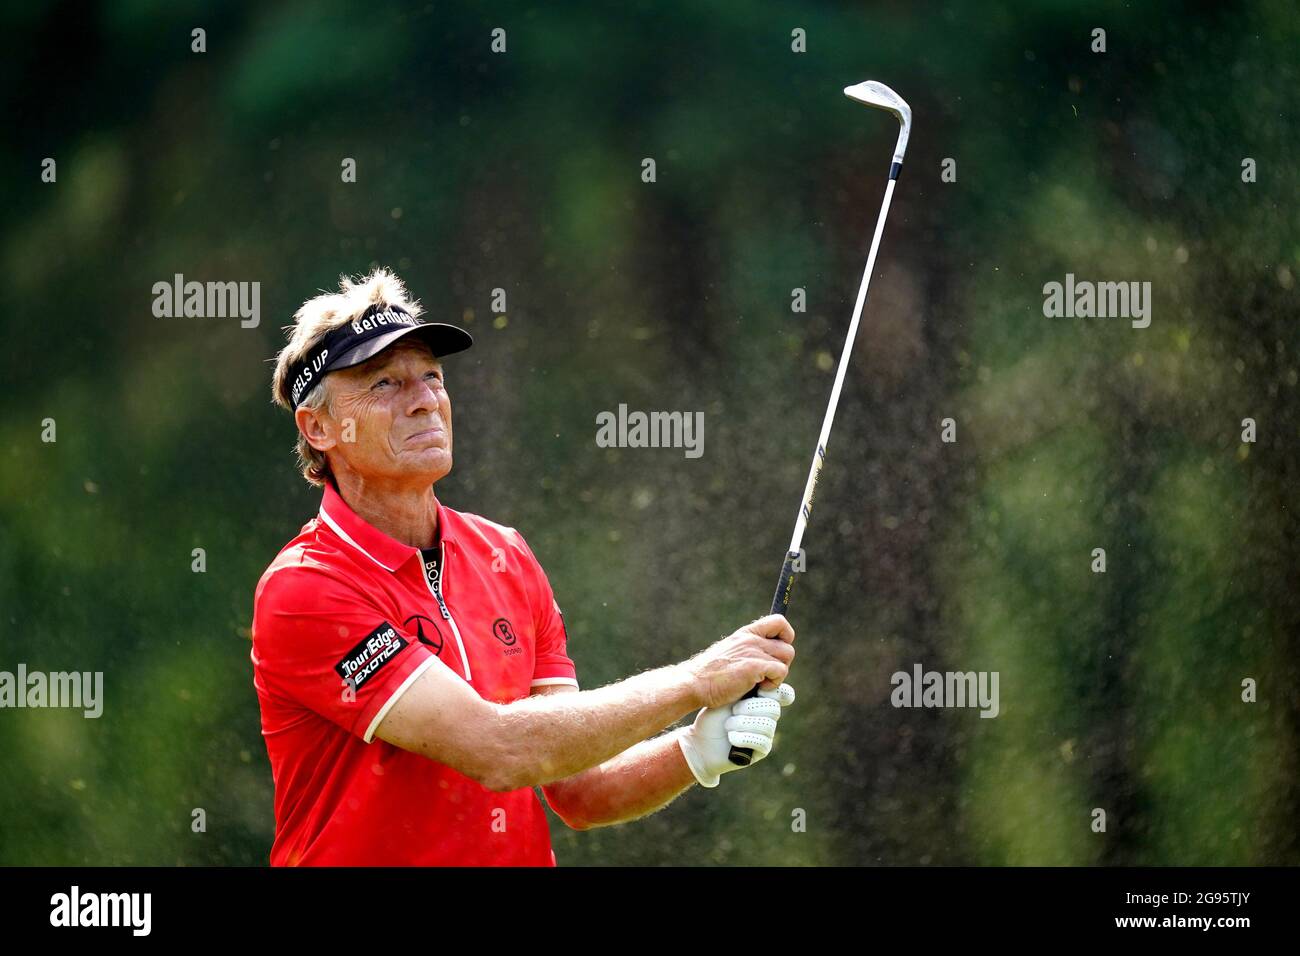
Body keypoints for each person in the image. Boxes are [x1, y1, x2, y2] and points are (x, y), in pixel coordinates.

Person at [250, 267, 797, 865]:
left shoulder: (504, 555)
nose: (424, 401)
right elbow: (499, 750)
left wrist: (695, 750)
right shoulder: (305, 588)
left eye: (431, 376)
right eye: (384, 384)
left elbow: (580, 789)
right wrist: (695, 680)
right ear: (319, 426)